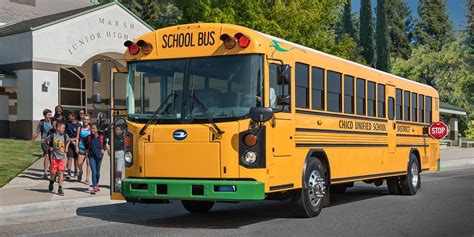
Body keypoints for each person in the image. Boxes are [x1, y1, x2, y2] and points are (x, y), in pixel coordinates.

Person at [47, 121, 70, 196]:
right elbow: (46, 141)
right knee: (53, 173)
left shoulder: (65, 136)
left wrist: (66, 147)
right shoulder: (52, 136)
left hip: (62, 158)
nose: (64, 129)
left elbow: (69, 140)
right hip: (54, 157)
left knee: (61, 172)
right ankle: (51, 182)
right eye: (63, 128)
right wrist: (50, 147)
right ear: (58, 128)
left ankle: (60, 188)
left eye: (64, 128)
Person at [29, 109, 53, 179]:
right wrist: (31, 142)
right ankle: (45, 173)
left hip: (52, 142)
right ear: (44, 115)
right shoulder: (42, 123)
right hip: (44, 142)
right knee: (46, 155)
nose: (50, 117)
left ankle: (52, 170)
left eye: (50, 115)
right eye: (48, 115)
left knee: (52, 157)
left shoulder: (52, 122)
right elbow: (37, 132)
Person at [87, 123, 106, 194]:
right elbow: (85, 143)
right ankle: (94, 186)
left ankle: (97, 184)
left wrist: (103, 149)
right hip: (91, 156)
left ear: (97, 129)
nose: (92, 130)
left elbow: (105, 143)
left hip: (99, 156)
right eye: (91, 128)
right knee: (94, 171)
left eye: (94, 128)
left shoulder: (101, 137)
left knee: (98, 172)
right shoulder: (89, 137)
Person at [76, 115, 91, 184]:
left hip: (89, 149)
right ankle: (81, 172)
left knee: (88, 164)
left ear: (89, 121)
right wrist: (76, 147)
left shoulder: (91, 128)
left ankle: (87, 179)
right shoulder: (80, 128)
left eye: (87, 119)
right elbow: (77, 138)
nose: (86, 121)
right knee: (79, 163)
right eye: (85, 119)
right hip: (81, 147)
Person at [66, 112, 80, 179]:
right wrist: (68, 139)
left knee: (76, 158)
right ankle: (69, 172)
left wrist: (73, 139)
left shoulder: (78, 125)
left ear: (74, 117)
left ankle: (75, 171)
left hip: (76, 143)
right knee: (69, 157)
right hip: (69, 143)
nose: (69, 117)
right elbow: (65, 133)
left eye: (70, 116)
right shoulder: (68, 124)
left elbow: (78, 136)